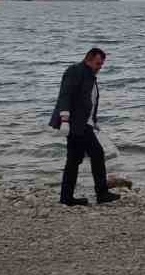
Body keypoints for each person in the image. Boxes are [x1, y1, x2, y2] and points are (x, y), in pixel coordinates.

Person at [50, 47, 119, 207]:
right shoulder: (75, 71)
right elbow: (65, 94)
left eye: (101, 64)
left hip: (84, 124)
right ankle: (101, 194)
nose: (100, 67)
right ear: (88, 59)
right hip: (75, 124)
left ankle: (66, 198)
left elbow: (89, 101)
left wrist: (93, 121)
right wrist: (65, 119)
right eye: (98, 64)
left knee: (74, 160)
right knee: (97, 154)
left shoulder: (90, 75)